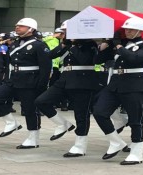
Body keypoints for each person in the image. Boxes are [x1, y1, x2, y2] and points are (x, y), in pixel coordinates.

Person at [93, 17, 143, 165]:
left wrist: (119, 47)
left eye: (131, 29)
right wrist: (106, 45)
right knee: (99, 112)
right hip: (115, 83)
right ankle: (116, 142)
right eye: (126, 29)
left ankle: (137, 153)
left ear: (140, 31)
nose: (127, 32)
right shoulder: (120, 44)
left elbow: (135, 59)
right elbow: (97, 60)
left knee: (136, 119)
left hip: (135, 84)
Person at [35, 20, 100, 157]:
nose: (65, 34)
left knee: (81, 114)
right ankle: (62, 124)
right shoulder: (68, 43)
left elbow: (84, 60)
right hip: (65, 78)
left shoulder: (90, 44)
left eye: (67, 31)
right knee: (41, 101)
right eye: (64, 32)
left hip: (83, 80)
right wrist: (65, 44)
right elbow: (50, 55)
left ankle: (80, 145)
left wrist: (75, 44)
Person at [0, 17, 52, 149]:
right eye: (17, 25)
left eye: (21, 26)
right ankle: (11, 123)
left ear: (31, 29)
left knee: (30, 110)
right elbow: (9, 63)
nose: (17, 27)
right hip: (13, 79)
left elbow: (45, 68)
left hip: (30, 81)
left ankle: (33, 138)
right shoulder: (15, 43)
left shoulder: (39, 45)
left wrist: (41, 86)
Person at [42, 28, 68, 111]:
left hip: (58, 66)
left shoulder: (59, 42)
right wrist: (52, 36)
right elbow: (42, 40)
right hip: (51, 66)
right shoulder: (50, 40)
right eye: (63, 34)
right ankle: (51, 103)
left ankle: (57, 103)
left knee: (56, 85)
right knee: (51, 85)